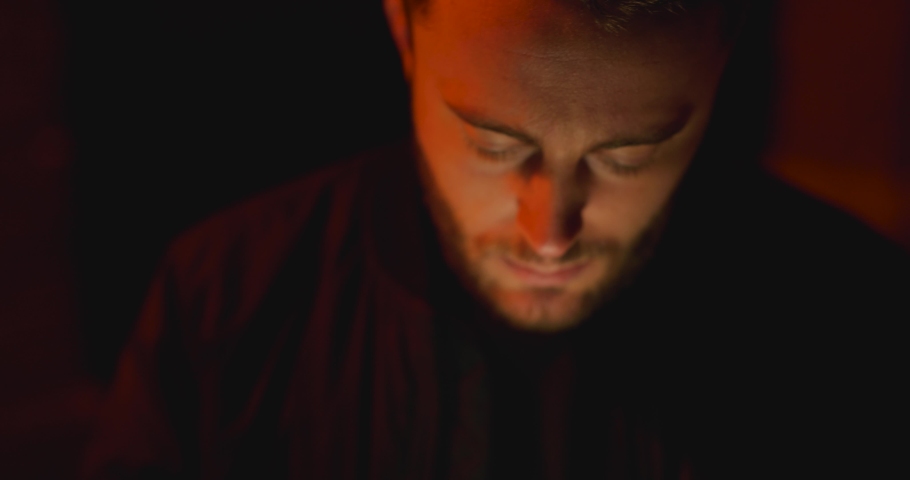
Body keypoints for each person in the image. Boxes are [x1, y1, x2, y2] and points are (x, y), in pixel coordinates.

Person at [82, 0, 908, 478]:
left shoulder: (858, 325)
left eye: (629, 156)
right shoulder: (225, 303)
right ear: (404, 32)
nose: (549, 233)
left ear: (723, 56)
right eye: (492, 142)